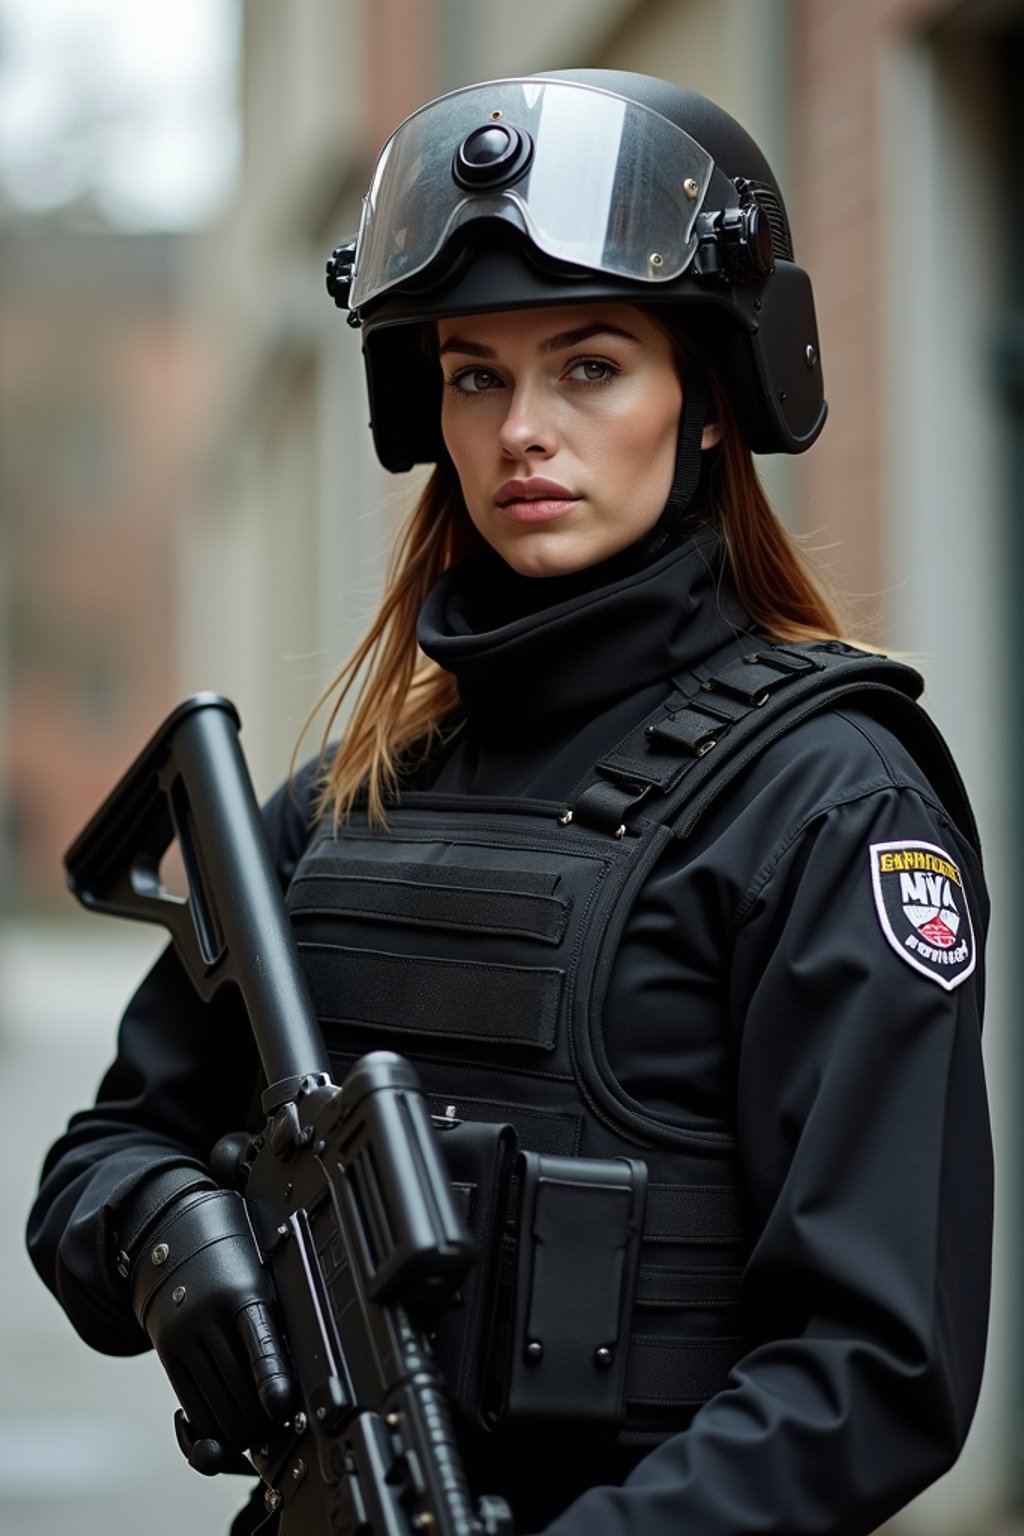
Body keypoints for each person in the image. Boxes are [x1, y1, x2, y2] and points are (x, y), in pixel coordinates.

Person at [27, 69, 992, 1536]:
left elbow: (873, 1371)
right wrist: (166, 1237)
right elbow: (103, 1156)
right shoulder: (346, 798)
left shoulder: (827, 799)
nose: (521, 430)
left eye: (590, 366)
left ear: (713, 402)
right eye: (475, 373)